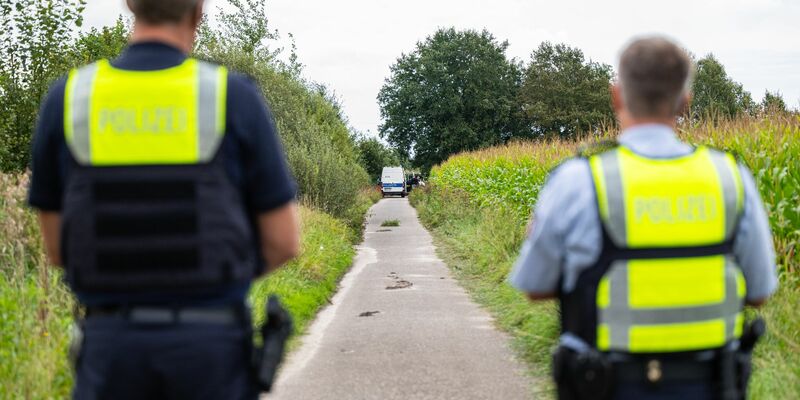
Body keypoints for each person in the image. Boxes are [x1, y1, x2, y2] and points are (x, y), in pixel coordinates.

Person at [27, 0, 301, 398]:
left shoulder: (69, 99)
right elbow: (283, 241)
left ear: (129, 5)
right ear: (198, 11)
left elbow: (57, 250)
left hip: (111, 353)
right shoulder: (232, 97)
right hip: (210, 351)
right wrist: (214, 276)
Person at [509, 36, 778, 400]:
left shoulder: (579, 180)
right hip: (711, 385)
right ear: (685, 101)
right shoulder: (730, 177)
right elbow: (760, 292)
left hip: (604, 385)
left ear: (616, 96)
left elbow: (535, 286)